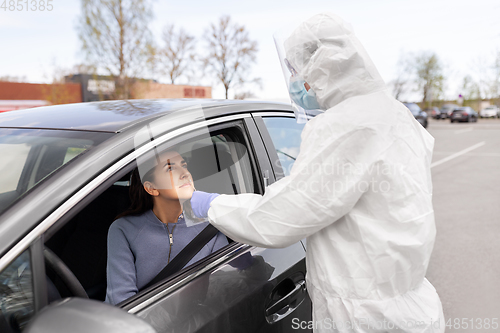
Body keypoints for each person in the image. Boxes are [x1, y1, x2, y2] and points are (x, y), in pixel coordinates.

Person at [190, 12, 445, 333]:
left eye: (296, 70)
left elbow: (282, 216)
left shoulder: (344, 124)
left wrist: (209, 203)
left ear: (323, 66)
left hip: (365, 319)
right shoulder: (395, 114)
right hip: (410, 307)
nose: (296, 80)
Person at [105, 150, 228, 305]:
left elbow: (225, 292)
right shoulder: (124, 229)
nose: (185, 173)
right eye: (170, 168)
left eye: (184, 165)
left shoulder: (209, 229)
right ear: (151, 188)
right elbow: (121, 300)